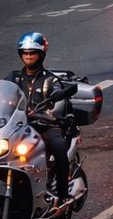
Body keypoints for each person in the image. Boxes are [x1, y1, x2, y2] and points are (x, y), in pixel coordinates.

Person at [9, 32, 70, 205]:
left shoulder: (51, 80)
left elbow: (59, 104)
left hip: (44, 127)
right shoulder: (14, 78)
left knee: (58, 146)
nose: (28, 57)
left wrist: (50, 113)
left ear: (41, 54)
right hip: (18, 127)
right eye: (25, 53)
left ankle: (63, 193)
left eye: (32, 53)